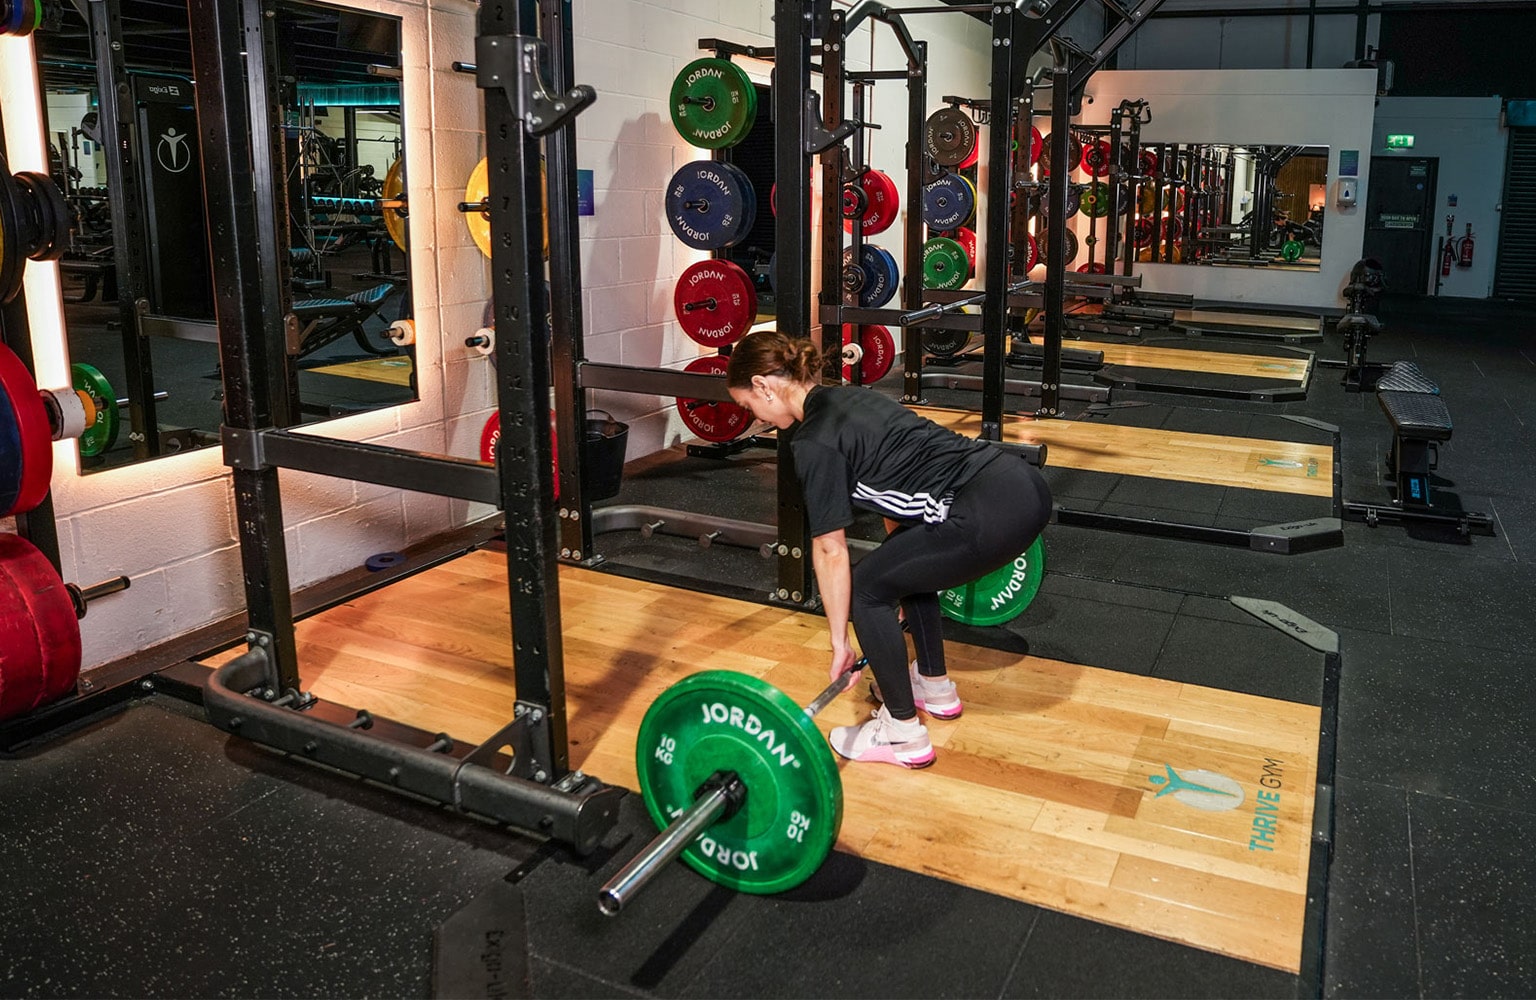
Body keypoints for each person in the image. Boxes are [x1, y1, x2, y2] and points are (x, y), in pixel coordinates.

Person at [725, 330, 1052, 768]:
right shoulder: (855, 398)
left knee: (865, 588)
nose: (755, 417)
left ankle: (902, 733)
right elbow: (900, 499)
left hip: (985, 512)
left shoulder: (813, 441)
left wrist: (840, 641)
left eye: (749, 405)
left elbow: (830, 550)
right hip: (1020, 487)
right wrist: (894, 572)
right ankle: (933, 686)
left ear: (764, 385)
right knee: (898, 567)